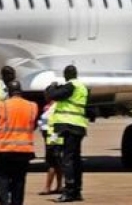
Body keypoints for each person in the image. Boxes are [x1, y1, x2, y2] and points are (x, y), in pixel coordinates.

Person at [46, 65, 88, 203]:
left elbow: (51, 95)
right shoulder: (82, 87)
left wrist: (52, 86)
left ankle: (69, 191)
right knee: (75, 159)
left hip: (68, 126)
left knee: (67, 160)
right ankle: (76, 190)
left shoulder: (71, 86)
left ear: (66, 75)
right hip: (78, 126)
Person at [0, 80, 37, 205]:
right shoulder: (32, 106)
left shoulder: (2, 105)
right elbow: (32, 125)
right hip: (24, 150)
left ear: (9, 92)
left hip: (4, 149)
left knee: (2, 178)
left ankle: (4, 202)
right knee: (19, 180)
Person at [37, 95, 63, 196]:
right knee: (56, 161)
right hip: (51, 136)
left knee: (52, 161)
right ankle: (59, 186)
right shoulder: (50, 106)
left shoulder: (54, 107)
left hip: (53, 136)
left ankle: (48, 187)